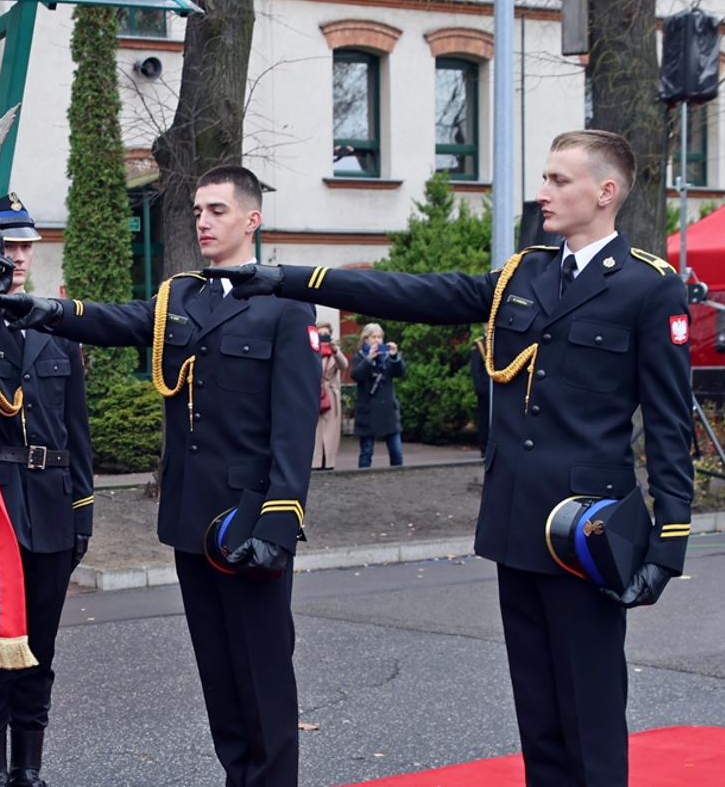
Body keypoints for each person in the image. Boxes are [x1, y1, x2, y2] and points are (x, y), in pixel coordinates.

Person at [210, 130, 694, 786]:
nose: (542, 192)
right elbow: (420, 293)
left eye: (558, 180)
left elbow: (668, 424)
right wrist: (285, 278)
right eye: (544, 178)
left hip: (589, 533)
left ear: (605, 192)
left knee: (592, 719)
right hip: (517, 525)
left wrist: (668, 545)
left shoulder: (647, 288)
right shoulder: (525, 274)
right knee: (540, 720)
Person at [0, 165, 317, 786]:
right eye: (198, 210)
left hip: (250, 519)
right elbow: (118, 321)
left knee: (263, 676)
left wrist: (279, 519)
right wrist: (45, 309)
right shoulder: (181, 297)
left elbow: (294, 426)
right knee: (220, 677)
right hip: (192, 519)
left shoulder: (283, 305)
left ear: (252, 219)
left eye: (217, 210)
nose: (203, 221)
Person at [0, 194, 93, 787]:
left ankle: (28, 771)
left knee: (40, 646)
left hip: (52, 502)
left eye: (23, 246)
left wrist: (83, 510)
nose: (15, 256)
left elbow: (77, 427)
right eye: (4, 246)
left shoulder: (55, 322)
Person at [350, 323, 405, 468]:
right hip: (368, 411)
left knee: (397, 452)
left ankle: (399, 478)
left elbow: (400, 372)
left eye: (380, 337)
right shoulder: (359, 357)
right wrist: (369, 360)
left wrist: (395, 357)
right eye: (374, 337)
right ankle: (362, 481)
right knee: (366, 452)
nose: (377, 340)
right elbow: (356, 376)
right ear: (366, 339)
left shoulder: (387, 357)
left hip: (388, 411)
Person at [310, 322, 347, 470]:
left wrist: (335, 350)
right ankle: (315, 462)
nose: (323, 337)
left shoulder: (334, 351)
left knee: (330, 431)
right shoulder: (311, 350)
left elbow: (344, 365)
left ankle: (329, 463)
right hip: (314, 393)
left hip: (330, 394)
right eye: (321, 334)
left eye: (326, 334)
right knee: (315, 430)